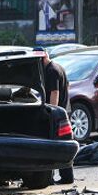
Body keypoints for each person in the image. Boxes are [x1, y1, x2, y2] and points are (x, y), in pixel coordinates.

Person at [36, 46, 73, 184]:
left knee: (53, 145)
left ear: (42, 58)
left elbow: (54, 92)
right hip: (64, 111)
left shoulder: (51, 71)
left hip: (58, 114)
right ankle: (67, 177)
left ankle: (52, 178)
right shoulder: (58, 67)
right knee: (64, 145)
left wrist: (52, 110)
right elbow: (67, 86)